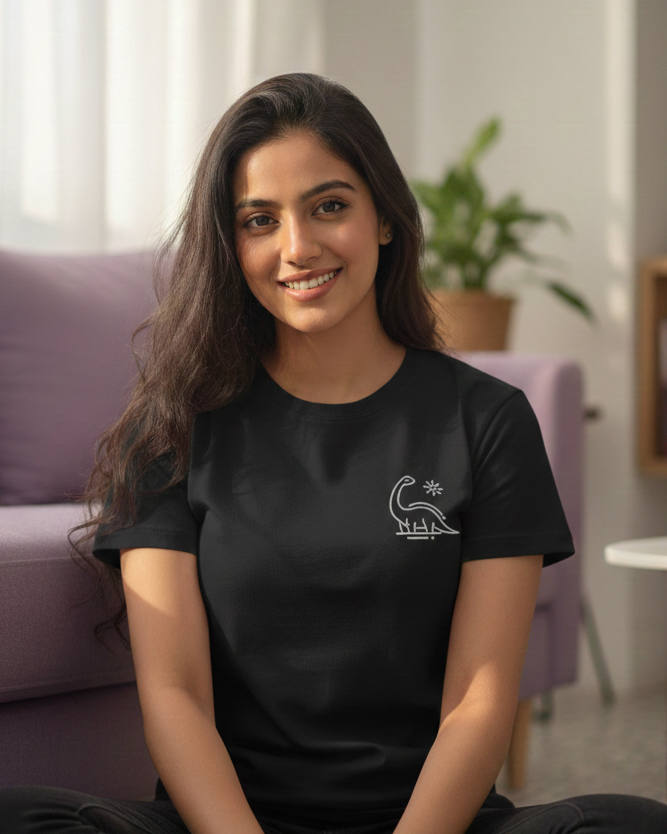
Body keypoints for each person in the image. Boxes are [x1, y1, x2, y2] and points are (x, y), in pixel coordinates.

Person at [1, 73, 665, 834]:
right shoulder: (173, 429)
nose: (297, 247)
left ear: (383, 218)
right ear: (231, 245)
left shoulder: (487, 419)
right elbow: (175, 696)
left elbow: (477, 702)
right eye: (259, 220)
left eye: (329, 206)